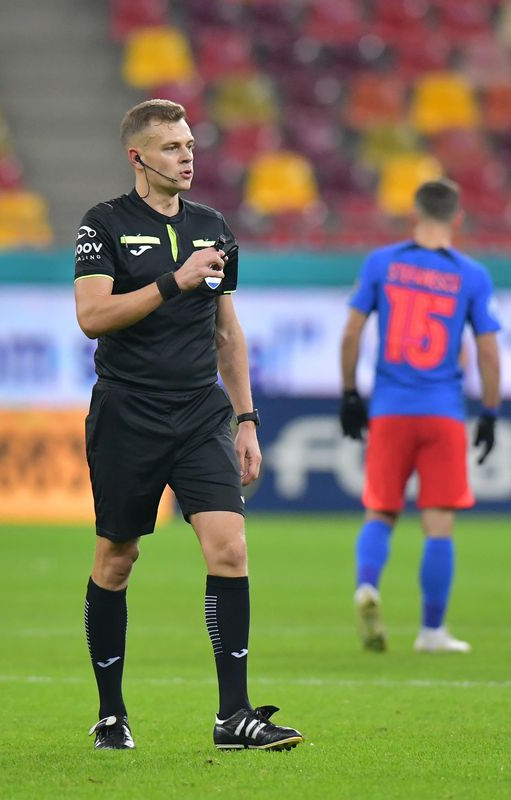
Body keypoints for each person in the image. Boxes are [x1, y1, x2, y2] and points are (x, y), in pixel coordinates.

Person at [73, 99, 303, 751]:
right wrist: (173, 283)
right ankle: (111, 712)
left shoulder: (213, 227)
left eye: (191, 146)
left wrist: (248, 419)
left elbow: (228, 332)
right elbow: (92, 316)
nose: (187, 157)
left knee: (229, 547)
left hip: (200, 411)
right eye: (172, 147)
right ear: (138, 157)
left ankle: (235, 717)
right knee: (117, 559)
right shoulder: (105, 224)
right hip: (129, 411)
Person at [339, 178, 502, 654]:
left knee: (380, 511)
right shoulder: (471, 275)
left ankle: (367, 585)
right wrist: (490, 412)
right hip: (444, 413)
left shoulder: (382, 263)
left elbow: (351, 334)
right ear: (457, 218)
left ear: (414, 215)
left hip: (390, 409)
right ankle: (432, 631)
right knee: (439, 523)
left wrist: (350, 393)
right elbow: (488, 354)